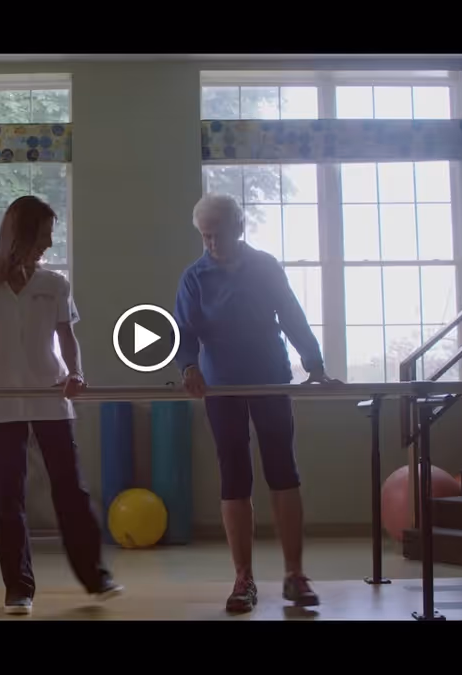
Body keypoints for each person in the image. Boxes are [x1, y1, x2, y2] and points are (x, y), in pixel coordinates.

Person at [0, 195, 122, 615]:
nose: (48, 243)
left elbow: (67, 338)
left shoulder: (54, 284)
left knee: (71, 491)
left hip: (48, 394)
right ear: (22, 234)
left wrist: (75, 372)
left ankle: (95, 576)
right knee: (9, 497)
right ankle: (18, 589)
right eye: (43, 235)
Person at [174, 193, 338, 614]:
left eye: (218, 234)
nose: (211, 243)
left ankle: (294, 575)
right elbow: (185, 331)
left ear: (238, 229)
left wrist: (314, 361)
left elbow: (291, 313)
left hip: (269, 377)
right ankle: (243, 578)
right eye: (204, 236)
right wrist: (188, 366)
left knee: (283, 470)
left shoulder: (264, 266)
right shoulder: (194, 276)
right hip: (221, 386)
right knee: (235, 475)